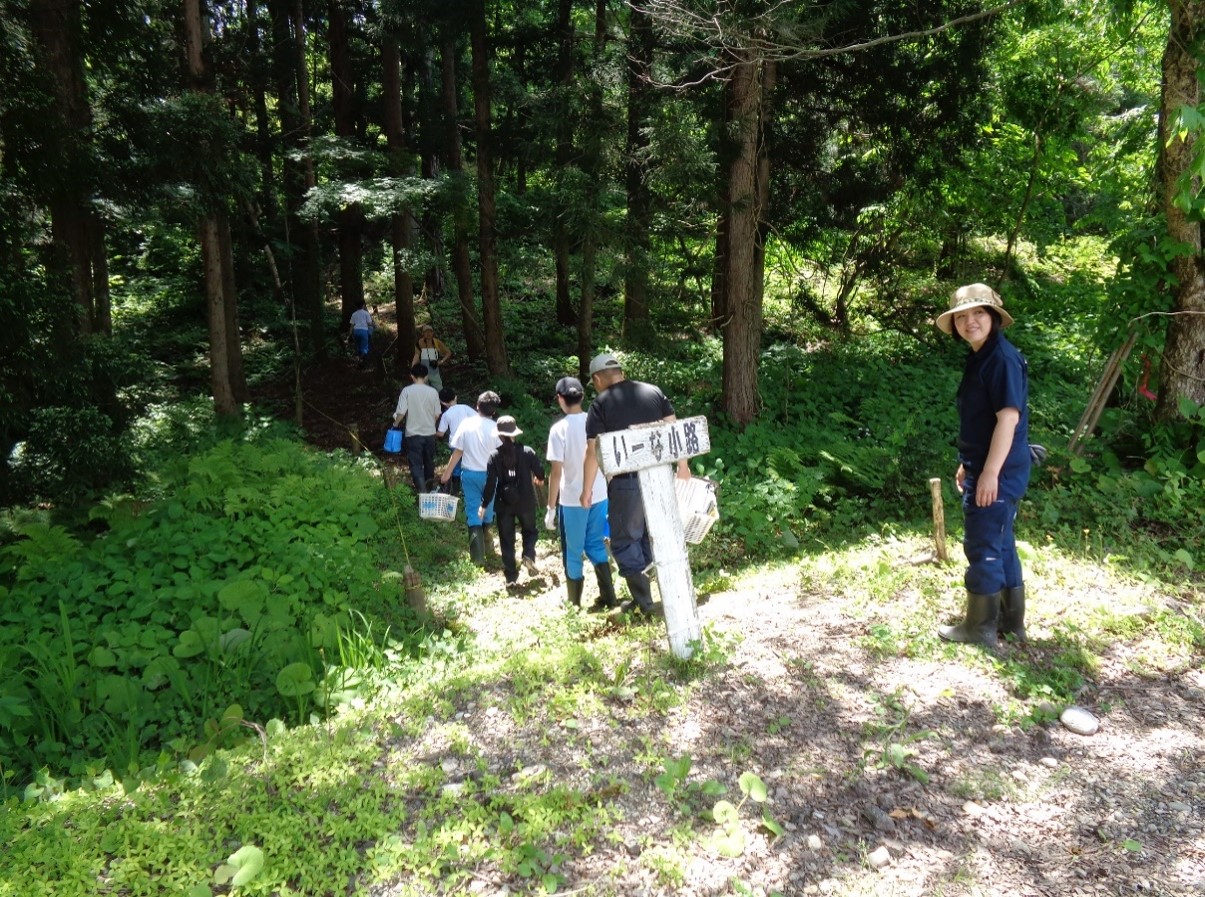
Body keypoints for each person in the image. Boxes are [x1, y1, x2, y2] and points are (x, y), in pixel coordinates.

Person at [934, 283, 1032, 648]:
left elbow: (1007, 420)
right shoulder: (983, 356)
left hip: (1001, 471)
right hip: (990, 466)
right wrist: (969, 464)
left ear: (993, 317)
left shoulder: (1001, 359)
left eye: (978, 313)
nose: (969, 321)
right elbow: (981, 422)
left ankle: (979, 628)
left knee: (984, 545)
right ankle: (1011, 622)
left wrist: (989, 472)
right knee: (1002, 542)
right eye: (961, 316)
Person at [581, 353, 690, 615]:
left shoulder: (600, 404)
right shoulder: (653, 392)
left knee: (624, 539)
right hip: (660, 477)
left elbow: (592, 451)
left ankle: (646, 604)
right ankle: (652, 595)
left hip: (626, 482)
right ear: (621, 372)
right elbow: (674, 431)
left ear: (597, 379)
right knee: (648, 535)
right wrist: (683, 467)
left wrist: (586, 490)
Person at [546, 376, 616, 611]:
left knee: (573, 550)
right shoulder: (595, 421)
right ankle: (609, 596)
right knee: (596, 544)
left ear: (560, 400)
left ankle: (574, 604)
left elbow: (556, 472)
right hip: (599, 494)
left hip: (573, 498)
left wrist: (551, 507)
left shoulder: (559, 430)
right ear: (582, 397)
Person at [481, 416, 545, 586]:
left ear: (499, 436)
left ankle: (511, 577)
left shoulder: (494, 456)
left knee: (506, 539)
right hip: (525, 501)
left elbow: (490, 483)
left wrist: (484, 504)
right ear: (515, 433)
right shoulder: (527, 452)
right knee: (530, 531)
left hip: (504, 504)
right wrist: (540, 479)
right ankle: (528, 555)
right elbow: (540, 472)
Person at [441, 390, 501, 565]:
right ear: (494, 412)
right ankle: (489, 544)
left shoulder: (466, 424)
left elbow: (458, 451)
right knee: (488, 507)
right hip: (491, 476)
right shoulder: (496, 428)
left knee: (473, 510)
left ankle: (477, 557)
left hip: (469, 475)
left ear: (477, 406)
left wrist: (446, 474)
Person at [391, 364, 442, 494]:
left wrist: (395, 424)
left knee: (416, 464)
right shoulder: (433, 392)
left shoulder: (407, 391)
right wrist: (430, 423)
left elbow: (401, 412)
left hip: (413, 434)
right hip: (430, 433)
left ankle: (422, 491)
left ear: (412, 376)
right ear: (426, 377)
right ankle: (430, 489)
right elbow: (437, 414)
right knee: (429, 462)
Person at [436, 387, 475, 497]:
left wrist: (433, 432)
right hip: (469, 442)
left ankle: (455, 492)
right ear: (456, 397)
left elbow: (441, 433)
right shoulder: (465, 408)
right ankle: (468, 491)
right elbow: (478, 419)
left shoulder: (446, 415)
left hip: (455, 444)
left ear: (442, 402)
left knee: (456, 468)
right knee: (469, 465)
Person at [412, 324, 452, 391]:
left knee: (439, 389)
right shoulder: (420, 343)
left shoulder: (437, 342)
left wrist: (441, 361)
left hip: (434, 371)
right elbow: (416, 355)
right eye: (426, 332)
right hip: (423, 371)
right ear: (423, 333)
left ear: (433, 333)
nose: (428, 333)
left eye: (430, 331)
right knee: (424, 390)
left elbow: (448, 352)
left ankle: (440, 401)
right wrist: (413, 366)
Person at [348, 301, 374, 367]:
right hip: (364, 331)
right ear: (363, 305)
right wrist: (373, 325)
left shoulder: (354, 314)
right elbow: (369, 323)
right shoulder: (366, 313)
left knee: (358, 346)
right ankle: (362, 362)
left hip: (356, 331)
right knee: (364, 347)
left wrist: (350, 334)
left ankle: (358, 360)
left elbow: (351, 325)